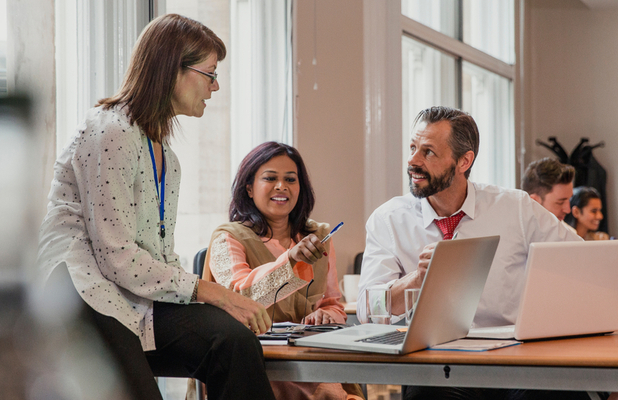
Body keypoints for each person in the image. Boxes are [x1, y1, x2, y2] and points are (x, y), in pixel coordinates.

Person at [35, 14, 275, 400]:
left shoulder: (166, 158)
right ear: (171, 70)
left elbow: (155, 255)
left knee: (233, 341)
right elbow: (116, 257)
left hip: (130, 295)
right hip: (81, 292)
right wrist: (212, 293)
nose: (215, 86)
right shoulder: (110, 132)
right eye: (210, 73)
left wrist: (213, 299)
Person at [357, 106, 583, 400]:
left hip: (515, 358)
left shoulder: (515, 207)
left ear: (464, 161)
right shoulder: (388, 219)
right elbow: (367, 310)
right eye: (413, 147)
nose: (413, 160)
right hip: (435, 364)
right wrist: (417, 278)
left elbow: (579, 258)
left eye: (428, 152)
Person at [203, 141, 364, 400]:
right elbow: (241, 297)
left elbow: (335, 305)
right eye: (270, 178)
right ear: (249, 188)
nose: (282, 187)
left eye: (290, 179)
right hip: (257, 367)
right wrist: (290, 260)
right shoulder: (227, 237)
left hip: (312, 360)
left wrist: (325, 315)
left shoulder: (318, 236)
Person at [521, 157, 575, 222]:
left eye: (569, 200)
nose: (568, 210)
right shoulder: (511, 230)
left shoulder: (568, 231)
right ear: (534, 202)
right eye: (560, 203)